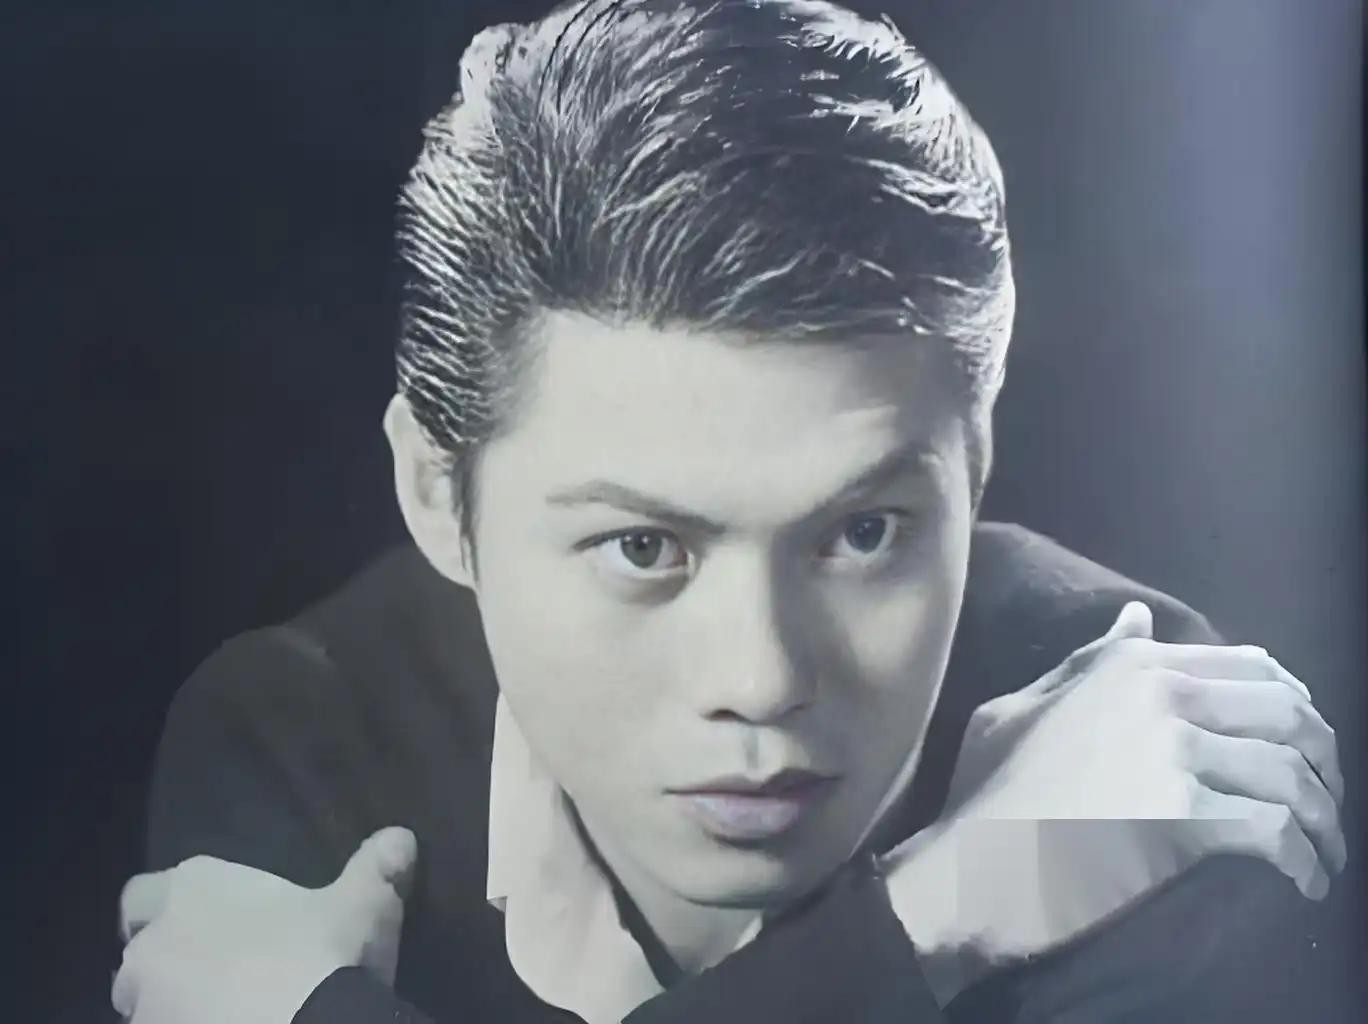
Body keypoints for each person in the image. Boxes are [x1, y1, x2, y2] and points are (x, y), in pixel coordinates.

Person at [111, 2, 1346, 1022]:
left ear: (974, 465)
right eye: (644, 547)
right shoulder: (300, 733)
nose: (761, 680)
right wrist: (944, 905)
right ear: (440, 497)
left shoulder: (1157, 756)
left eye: (863, 534)